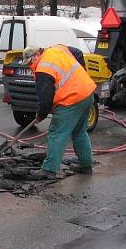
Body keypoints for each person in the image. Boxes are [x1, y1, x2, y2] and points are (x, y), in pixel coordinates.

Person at [22, 44, 96, 180]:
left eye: (30, 61)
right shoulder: (56, 49)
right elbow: (77, 52)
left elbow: (45, 98)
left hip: (71, 98)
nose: (30, 65)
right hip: (88, 92)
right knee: (79, 131)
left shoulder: (43, 68)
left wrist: (41, 115)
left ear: (36, 54)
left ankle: (49, 170)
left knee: (57, 133)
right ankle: (86, 166)